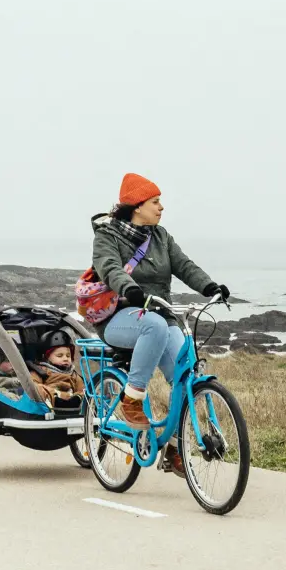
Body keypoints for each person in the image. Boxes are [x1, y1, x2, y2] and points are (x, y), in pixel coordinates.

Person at [90, 172, 230, 471]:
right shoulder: (107, 236)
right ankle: (131, 399)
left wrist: (210, 287)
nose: (161, 207)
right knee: (153, 324)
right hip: (120, 317)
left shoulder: (161, 237)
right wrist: (129, 289)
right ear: (137, 206)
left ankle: (174, 447)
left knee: (185, 374)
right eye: (155, 202)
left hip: (160, 315)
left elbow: (184, 266)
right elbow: (110, 268)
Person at [29, 331, 85, 404]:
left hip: (73, 406)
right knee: (36, 387)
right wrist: (55, 396)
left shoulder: (74, 375)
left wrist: (78, 397)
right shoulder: (39, 371)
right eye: (60, 356)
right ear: (46, 357)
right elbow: (33, 387)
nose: (65, 358)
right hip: (48, 405)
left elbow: (83, 390)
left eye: (68, 355)